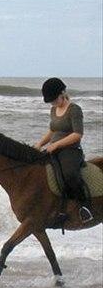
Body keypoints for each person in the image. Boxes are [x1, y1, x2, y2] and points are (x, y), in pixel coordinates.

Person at [34, 77, 93, 223]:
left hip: (70, 151)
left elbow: (77, 134)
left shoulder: (74, 110)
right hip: (53, 149)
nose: (53, 103)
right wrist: (40, 143)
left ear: (62, 94)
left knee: (69, 174)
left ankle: (84, 208)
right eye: (50, 101)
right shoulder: (54, 110)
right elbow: (52, 130)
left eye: (54, 99)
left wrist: (57, 145)